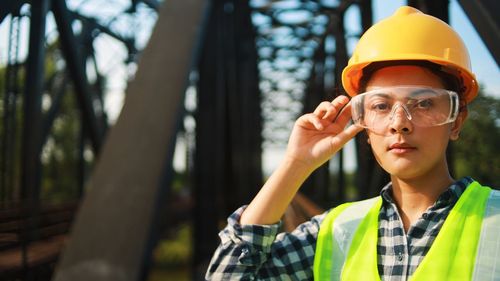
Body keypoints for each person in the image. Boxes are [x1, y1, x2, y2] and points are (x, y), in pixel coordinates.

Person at [205, 6, 500, 281]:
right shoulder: (336, 232)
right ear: (363, 124)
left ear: (457, 120)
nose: (400, 122)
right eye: (381, 106)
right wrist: (296, 164)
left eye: (423, 103)